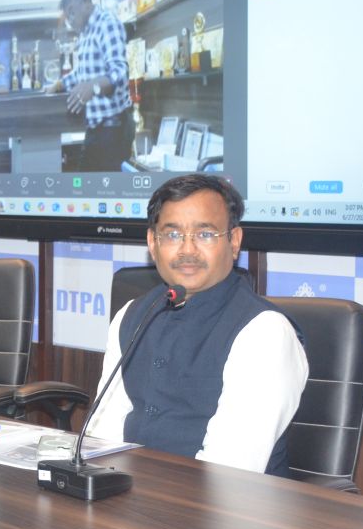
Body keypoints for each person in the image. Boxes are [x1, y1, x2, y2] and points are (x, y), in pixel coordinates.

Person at [85, 174, 308, 476]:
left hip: (226, 502)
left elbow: (228, 472)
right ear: (152, 243)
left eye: (205, 234)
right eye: (172, 235)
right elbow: (102, 439)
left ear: (234, 241)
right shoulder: (132, 315)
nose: (187, 250)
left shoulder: (265, 332)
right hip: (131, 493)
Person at [46, 0, 133, 171]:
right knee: (82, 185)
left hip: (114, 130)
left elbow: (120, 71)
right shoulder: (85, 34)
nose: (69, 20)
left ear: (85, 1)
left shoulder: (107, 23)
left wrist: (93, 87)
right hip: (96, 130)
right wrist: (59, 84)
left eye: (71, 12)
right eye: (67, 15)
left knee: (98, 188)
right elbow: (82, 73)